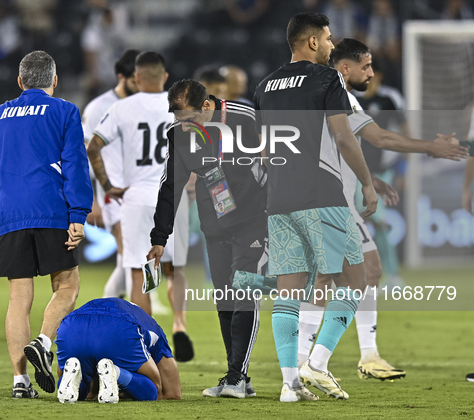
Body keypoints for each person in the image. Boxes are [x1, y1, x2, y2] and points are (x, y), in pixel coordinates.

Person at [297, 38, 469, 381]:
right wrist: (431, 147)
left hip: (315, 197)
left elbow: (329, 149)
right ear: (345, 68)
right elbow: (380, 138)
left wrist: (370, 177)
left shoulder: (314, 93)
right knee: (362, 270)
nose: (372, 73)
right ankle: (319, 361)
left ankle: (325, 358)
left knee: (332, 276)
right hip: (331, 201)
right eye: (366, 66)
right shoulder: (340, 95)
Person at [253, 12, 378, 401]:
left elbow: (263, 149)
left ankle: (290, 384)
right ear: (311, 42)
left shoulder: (264, 87)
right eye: (327, 39)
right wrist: (369, 184)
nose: (330, 44)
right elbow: (343, 137)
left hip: (279, 199)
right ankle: (318, 364)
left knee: (288, 290)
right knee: (356, 281)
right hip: (321, 194)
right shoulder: (328, 78)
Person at [0, 51, 92, 398]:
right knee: (67, 286)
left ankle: (20, 382)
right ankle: (44, 342)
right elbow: (76, 165)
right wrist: (78, 214)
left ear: (20, 82)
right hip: (51, 210)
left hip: (9, 214)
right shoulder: (64, 111)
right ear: (54, 81)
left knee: (19, 298)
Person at [147, 79, 267, 399]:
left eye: (188, 119)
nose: (183, 127)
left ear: (207, 107)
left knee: (244, 290)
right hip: (215, 226)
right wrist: (160, 237)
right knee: (225, 299)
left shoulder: (245, 117)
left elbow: (277, 159)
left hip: (254, 222)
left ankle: (237, 376)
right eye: (177, 120)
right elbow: (171, 187)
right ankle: (237, 374)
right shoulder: (177, 135)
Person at [87, 52, 194, 362]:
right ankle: (179, 323)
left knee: (139, 273)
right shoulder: (178, 107)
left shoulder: (121, 108)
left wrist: (107, 187)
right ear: (164, 77)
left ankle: (149, 345)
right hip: (172, 197)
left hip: (136, 198)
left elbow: (93, 148)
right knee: (176, 269)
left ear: (136, 78)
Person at [82, 49, 140, 300]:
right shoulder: (98, 108)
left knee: (129, 256)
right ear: (121, 77)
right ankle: (134, 314)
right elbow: (83, 154)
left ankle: (109, 307)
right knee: (130, 253)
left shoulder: (147, 104)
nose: (141, 87)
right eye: (135, 81)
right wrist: (90, 199)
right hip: (111, 191)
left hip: (142, 191)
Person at [55, 298, 181, 403]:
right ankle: (117, 373)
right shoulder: (155, 331)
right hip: (119, 326)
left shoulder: (134, 313)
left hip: (71, 325)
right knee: (154, 390)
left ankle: (74, 380)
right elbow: (173, 394)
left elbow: (61, 371)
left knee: (80, 381)